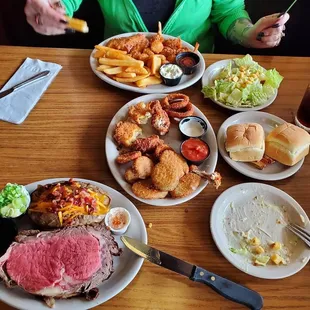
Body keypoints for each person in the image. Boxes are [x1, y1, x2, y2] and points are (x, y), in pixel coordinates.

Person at [24, 0, 289, 52]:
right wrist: (51, 8)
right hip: (116, 78)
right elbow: (62, 3)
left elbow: (229, 12)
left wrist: (249, 33)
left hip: (193, 78)